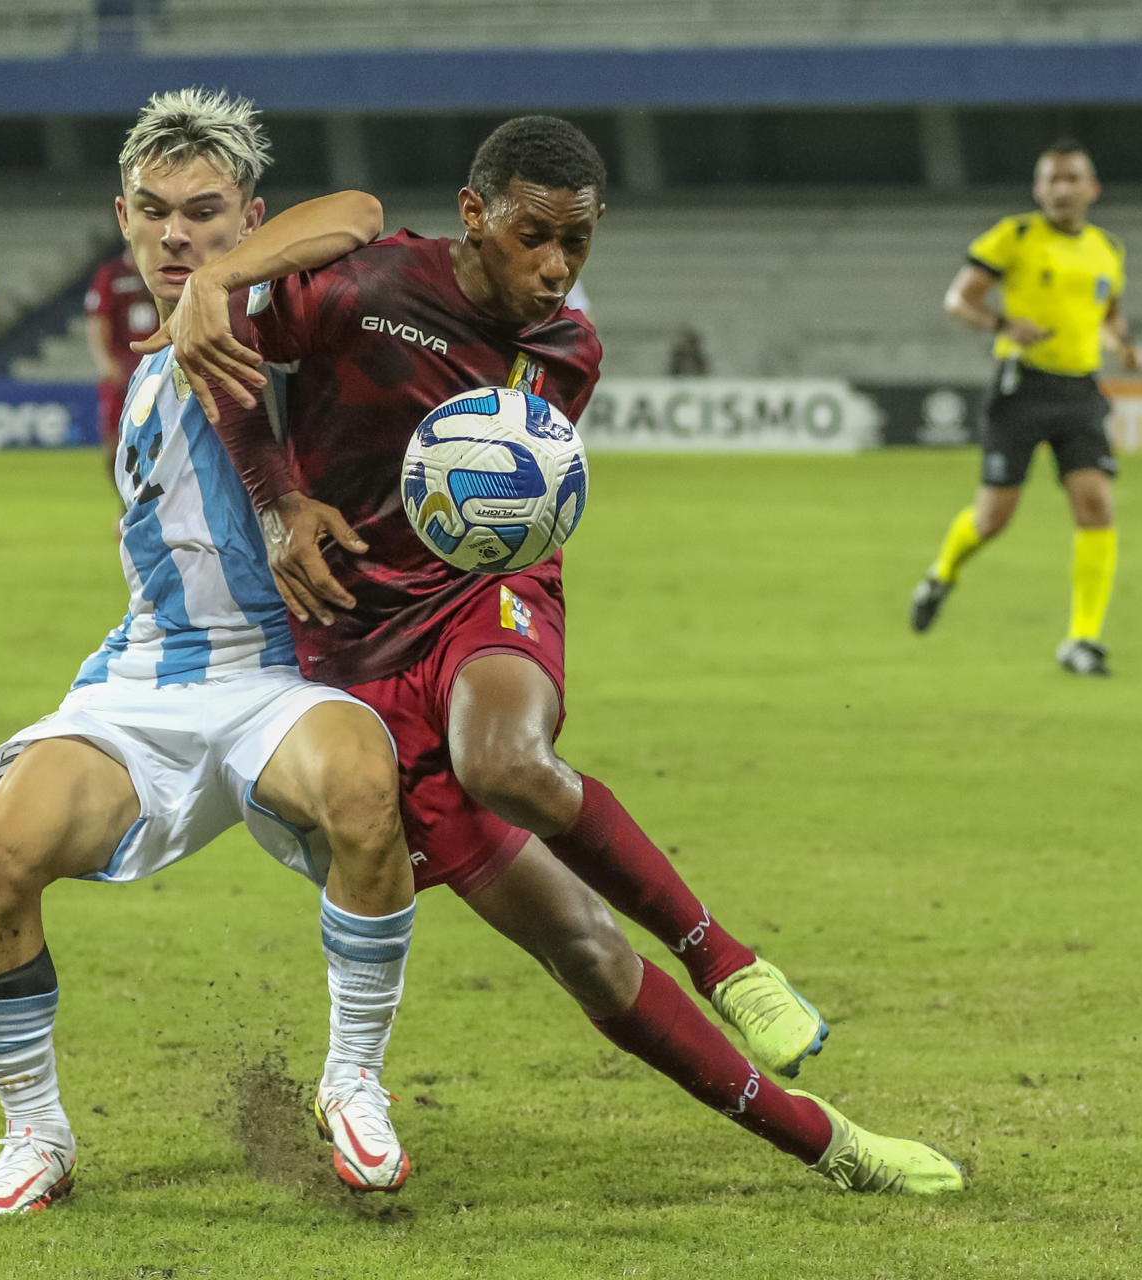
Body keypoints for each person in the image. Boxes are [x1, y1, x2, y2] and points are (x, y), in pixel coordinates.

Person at [204, 115, 963, 1193]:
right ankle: (833, 1145)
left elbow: (513, 502)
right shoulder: (360, 289)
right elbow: (227, 357)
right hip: (358, 653)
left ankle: (730, 963)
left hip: (485, 587)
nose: (556, 267)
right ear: (475, 216)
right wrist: (281, 503)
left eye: (579, 243)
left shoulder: (569, 349)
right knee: (590, 952)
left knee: (506, 758)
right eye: (533, 237)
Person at [0, 88, 417, 1214]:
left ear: (247, 215)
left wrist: (228, 276)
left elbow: (360, 207)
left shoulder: (293, 313)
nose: (177, 234)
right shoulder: (152, 365)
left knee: (362, 786)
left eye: (205, 213)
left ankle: (353, 1079)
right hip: (146, 679)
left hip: (278, 678)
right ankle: (37, 1134)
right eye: (156, 212)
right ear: (122, 215)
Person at [908, 138, 1142, 676]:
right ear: (1039, 189)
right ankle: (941, 575)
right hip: (1023, 389)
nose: (1061, 189)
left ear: (1092, 188)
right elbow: (959, 299)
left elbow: (1109, 314)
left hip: (1081, 391)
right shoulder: (1013, 237)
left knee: (1096, 506)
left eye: (1072, 179)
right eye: (1051, 180)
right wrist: (1001, 324)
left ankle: (1082, 640)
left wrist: (1122, 345)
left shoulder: (1107, 248)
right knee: (993, 519)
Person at [85, 249, 163, 502]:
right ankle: (127, 502)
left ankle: (154, 505)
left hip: (160, 370)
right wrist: (105, 362)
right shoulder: (111, 274)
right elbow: (98, 320)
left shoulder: (169, 269)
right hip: (122, 374)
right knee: (113, 447)